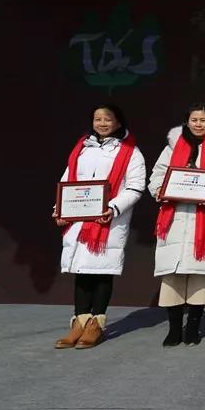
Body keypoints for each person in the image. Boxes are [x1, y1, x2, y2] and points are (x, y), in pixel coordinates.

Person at [53, 104, 146, 349]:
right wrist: (60, 209)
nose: (102, 123)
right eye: (97, 119)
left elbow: (136, 187)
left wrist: (113, 208)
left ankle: (96, 324)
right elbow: (67, 181)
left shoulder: (130, 151)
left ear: (118, 122)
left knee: (101, 271)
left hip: (109, 221)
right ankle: (79, 322)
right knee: (82, 271)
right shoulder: (82, 148)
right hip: (80, 219)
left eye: (107, 119)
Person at [148, 103, 205, 347]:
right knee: (172, 277)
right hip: (174, 219)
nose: (198, 124)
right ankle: (174, 329)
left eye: (203, 120)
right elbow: (157, 176)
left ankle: (193, 328)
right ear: (187, 122)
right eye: (194, 120)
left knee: (200, 277)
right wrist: (160, 190)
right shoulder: (172, 147)